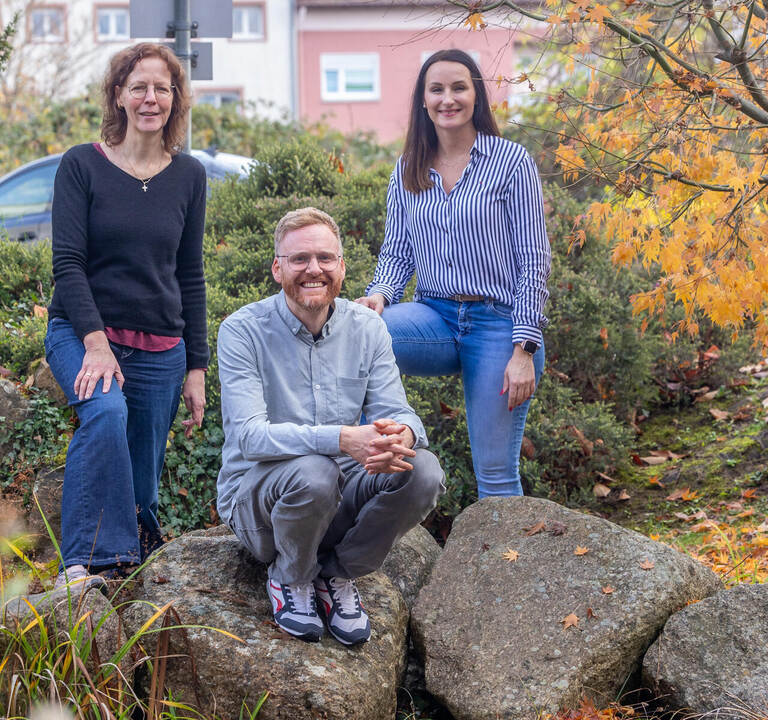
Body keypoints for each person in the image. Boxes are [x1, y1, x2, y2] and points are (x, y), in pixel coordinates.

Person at [216, 207, 445, 645]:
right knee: (315, 471)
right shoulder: (242, 331)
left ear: (342, 267)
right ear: (277, 268)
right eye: (299, 259)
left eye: (325, 258)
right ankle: (290, 576)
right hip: (261, 507)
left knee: (422, 471)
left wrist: (404, 435)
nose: (313, 269)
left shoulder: (368, 328)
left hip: (335, 494)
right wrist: (342, 438)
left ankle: (337, 574)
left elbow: (400, 411)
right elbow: (249, 437)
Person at [45, 43, 208, 588]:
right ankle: (81, 566)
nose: (150, 98)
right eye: (138, 86)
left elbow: (191, 273)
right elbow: (67, 263)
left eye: (162, 88)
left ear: (175, 99)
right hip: (82, 332)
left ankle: (130, 560)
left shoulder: (189, 176)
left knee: (141, 481)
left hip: (163, 346)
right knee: (106, 411)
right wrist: (95, 342)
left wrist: (197, 367)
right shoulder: (81, 164)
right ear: (118, 94)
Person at [356, 49, 550, 499]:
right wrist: (379, 297)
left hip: (499, 326)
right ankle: (374, 448)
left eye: (458, 87)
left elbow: (533, 261)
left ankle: (502, 569)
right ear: (423, 100)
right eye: (436, 89)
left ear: (475, 95)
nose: (448, 99)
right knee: (360, 332)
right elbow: (397, 253)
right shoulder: (407, 170)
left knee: (497, 477)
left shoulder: (510, 162)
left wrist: (523, 348)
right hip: (435, 319)